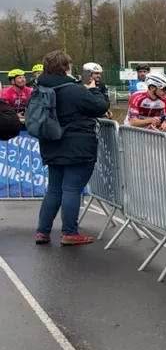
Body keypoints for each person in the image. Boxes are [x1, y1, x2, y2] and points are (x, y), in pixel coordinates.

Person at [33, 50, 110, 245]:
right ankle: (69, 232)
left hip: (51, 142)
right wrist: (93, 89)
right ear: (66, 67)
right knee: (72, 189)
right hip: (77, 144)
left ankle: (42, 231)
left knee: (54, 189)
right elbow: (99, 107)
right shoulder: (73, 90)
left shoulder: (40, 88)